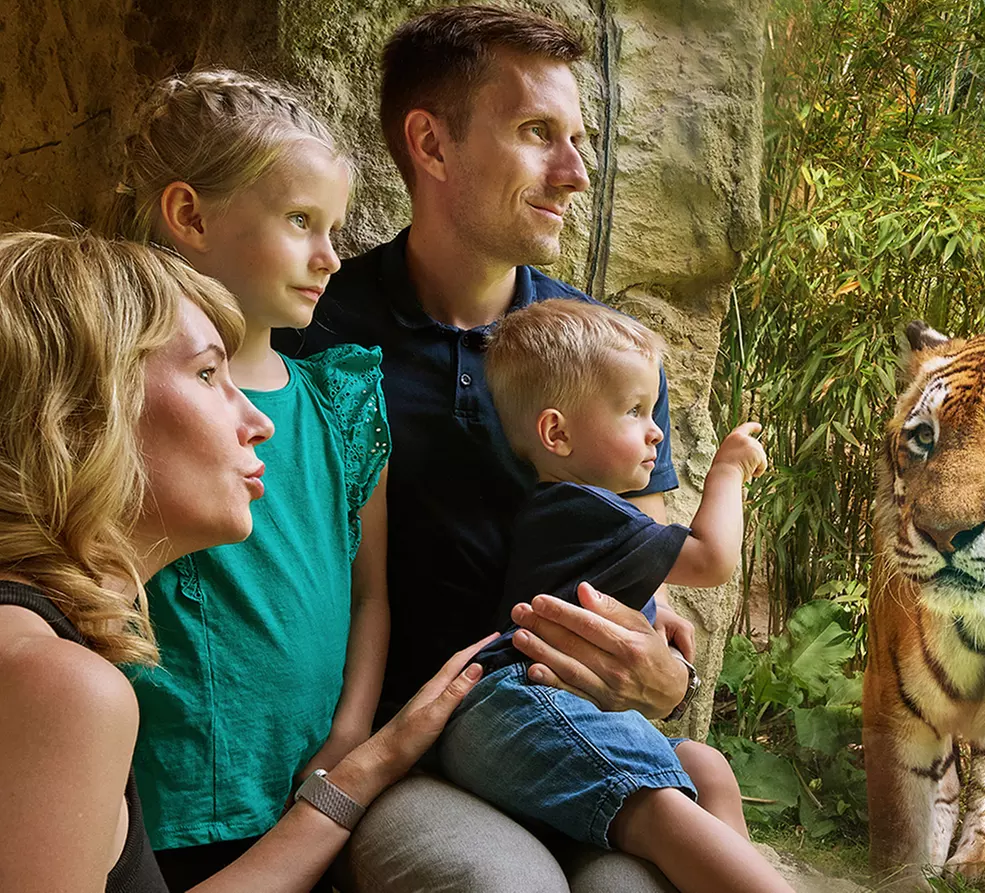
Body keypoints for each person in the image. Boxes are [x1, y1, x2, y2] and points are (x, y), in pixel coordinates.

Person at [276, 7, 708, 890]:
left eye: (578, 138)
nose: (576, 172)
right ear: (431, 146)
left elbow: (646, 589)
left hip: (567, 729)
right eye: (537, 134)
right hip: (405, 746)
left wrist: (668, 674)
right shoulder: (312, 336)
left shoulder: (610, 355)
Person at [0, 230, 495, 892]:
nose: (258, 420)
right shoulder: (57, 686)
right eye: (208, 373)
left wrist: (364, 766)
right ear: (82, 415)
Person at [109, 70, 392, 889]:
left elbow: (370, 590)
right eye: (301, 221)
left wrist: (350, 735)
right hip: (161, 793)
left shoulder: (341, 402)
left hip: (312, 784)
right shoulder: (123, 394)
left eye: (332, 226)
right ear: (190, 215)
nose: (331, 256)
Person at [436, 300, 784, 893]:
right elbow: (711, 558)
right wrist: (724, 471)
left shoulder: (580, 510)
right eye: (634, 411)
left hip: (544, 711)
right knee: (657, 810)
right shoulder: (583, 507)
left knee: (708, 767)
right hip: (520, 704)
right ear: (557, 433)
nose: (657, 430)